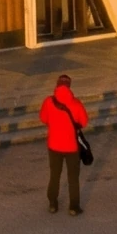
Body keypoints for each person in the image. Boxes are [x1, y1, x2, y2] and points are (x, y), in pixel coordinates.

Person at [39, 73, 89, 214]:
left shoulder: (48, 102)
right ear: (69, 86)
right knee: (73, 177)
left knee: (54, 175)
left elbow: (43, 118)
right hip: (72, 147)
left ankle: (53, 203)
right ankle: (73, 206)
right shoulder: (76, 103)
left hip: (54, 146)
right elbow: (84, 122)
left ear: (57, 85)